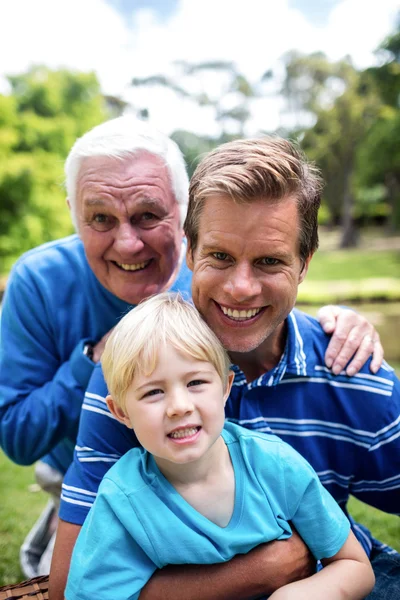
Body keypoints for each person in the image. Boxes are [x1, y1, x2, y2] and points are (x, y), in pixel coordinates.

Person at [51, 135, 399, 600]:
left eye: (270, 261)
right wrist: (265, 570)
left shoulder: (355, 373)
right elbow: (69, 588)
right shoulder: (137, 372)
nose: (239, 288)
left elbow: (353, 566)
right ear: (190, 251)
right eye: (220, 256)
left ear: (304, 264)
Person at [65, 292, 375, 600]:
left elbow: (354, 565)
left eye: (195, 383)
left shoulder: (275, 466)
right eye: (153, 392)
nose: (179, 406)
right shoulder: (123, 501)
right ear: (121, 412)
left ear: (225, 388)